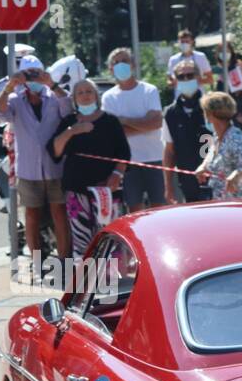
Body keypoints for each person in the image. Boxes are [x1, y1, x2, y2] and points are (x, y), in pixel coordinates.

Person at [0, 55, 72, 258]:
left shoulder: (54, 96)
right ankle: (36, 262)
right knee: (32, 216)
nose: (34, 79)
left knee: (60, 214)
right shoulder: (16, 100)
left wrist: (51, 83)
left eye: (37, 73)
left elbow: (69, 108)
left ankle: (64, 261)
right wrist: (11, 85)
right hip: (28, 170)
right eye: (29, 75)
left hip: (55, 168)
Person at [48, 79, 130, 258]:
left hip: (107, 189)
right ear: (75, 99)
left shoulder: (111, 121)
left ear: (96, 96)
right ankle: (87, 277)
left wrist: (117, 174)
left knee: (109, 234)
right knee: (81, 237)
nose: (85, 96)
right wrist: (72, 131)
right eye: (80, 93)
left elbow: (124, 153)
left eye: (89, 91)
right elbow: (55, 150)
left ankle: (111, 278)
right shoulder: (69, 122)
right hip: (76, 189)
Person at [100, 48, 165, 212]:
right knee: (135, 210)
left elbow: (156, 123)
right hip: (127, 164)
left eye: (124, 61)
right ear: (110, 69)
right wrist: (144, 124)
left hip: (154, 158)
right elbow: (113, 134)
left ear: (133, 65)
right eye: (116, 62)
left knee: (160, 208)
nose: (120, 65)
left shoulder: (149, 90)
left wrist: (125, 121)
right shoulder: (108, 97)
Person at [162, 59, 210, 203]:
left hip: (214, 178)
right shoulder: (170, 113)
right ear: (175, 81)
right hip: (187, 180)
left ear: (199, 77)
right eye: (181, 77)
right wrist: (168, 185)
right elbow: (169, 151)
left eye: (190, 75)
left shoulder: (211, 105)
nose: (186, 79)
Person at [198, 91, 242, 201]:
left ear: (210, 115)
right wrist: (203, 167)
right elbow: (212, 154)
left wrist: (236, 175)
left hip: (236, 205)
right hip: (219, 203)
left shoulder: (234, 136)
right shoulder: (217, 136)